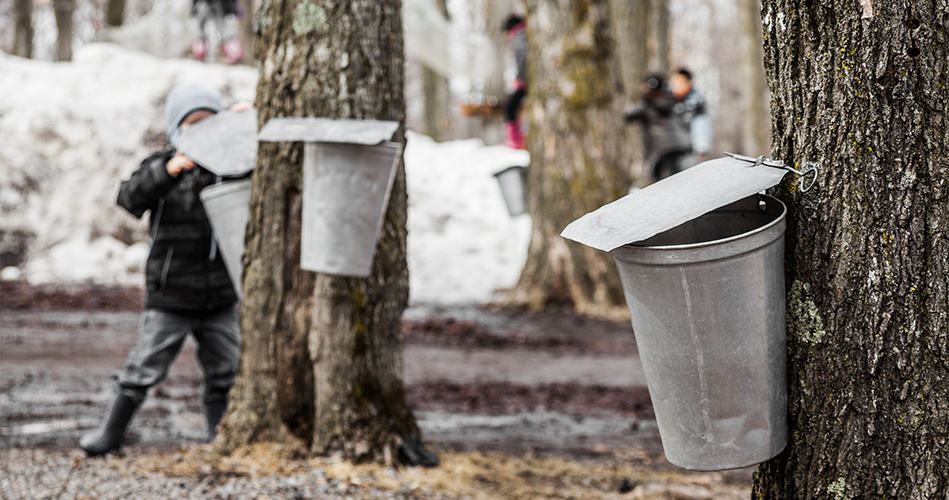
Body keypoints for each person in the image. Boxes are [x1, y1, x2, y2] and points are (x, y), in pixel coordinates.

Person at [79, 84, 243, 456]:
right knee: (144, 367)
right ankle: (111, 433)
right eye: (192, 125)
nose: (201, 134)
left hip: (221, 295)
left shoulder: (231, 168)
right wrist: (168, 171)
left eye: (210, 125)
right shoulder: (163, 165)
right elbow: (129, 197)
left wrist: (243, 121)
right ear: (176, 130)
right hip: (170, 296)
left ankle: (219, 437)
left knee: (226, 371)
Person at [624, 73, 693, 181]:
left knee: (661, 184)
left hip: (658, 151)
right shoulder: (671, 101)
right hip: (677, 147)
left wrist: (644, 100)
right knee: (678, 180)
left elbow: (627, 115)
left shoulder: (647, 106)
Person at [669, 68, 713, 161]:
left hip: (690, 152)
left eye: (679, 82)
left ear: (688, 83)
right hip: (673, 151)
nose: (675, 86)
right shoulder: (670, 101)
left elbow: (701, 124)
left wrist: (701, 148)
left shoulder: (696, 101)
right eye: (673, 83)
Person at [501, 14, 527, 149]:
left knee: (509, 108)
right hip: (526, 79)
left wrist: (520, 79)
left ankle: (515, 141)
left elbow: (523, 57)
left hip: (525, 81)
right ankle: (517, 140)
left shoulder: (518, 36)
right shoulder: (523, 33)